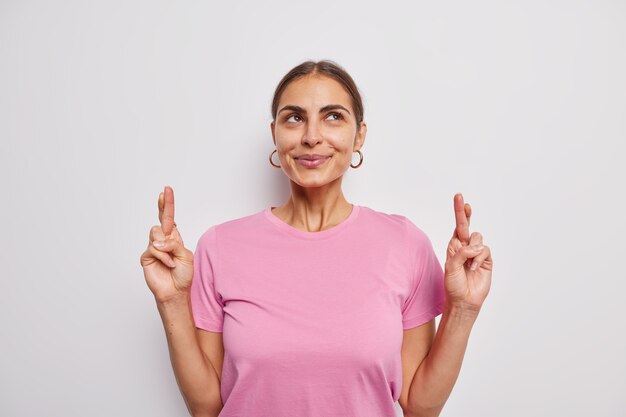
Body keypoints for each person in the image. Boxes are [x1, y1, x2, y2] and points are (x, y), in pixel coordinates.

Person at [139, 59, 493, 417]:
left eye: (333, 116)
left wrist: (463, 309)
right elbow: (206, 407)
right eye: (293, 117)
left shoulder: (404, 244)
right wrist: (171, 300)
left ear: (359, 136)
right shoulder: (219, 246)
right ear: (275, 132)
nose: (311, 136)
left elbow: (420, 406)